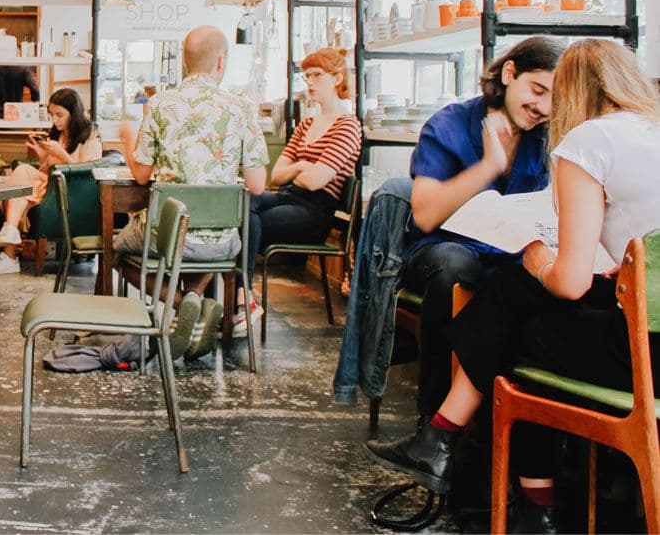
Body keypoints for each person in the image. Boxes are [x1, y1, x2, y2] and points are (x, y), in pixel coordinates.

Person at [367, 39, 660, 531]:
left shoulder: (588, 142)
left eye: (554, 94)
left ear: (570, 93)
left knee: (518, 334)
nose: (547, 109)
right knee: (516, 299)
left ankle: (490, 475)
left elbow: (567, 282)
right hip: (645, 326)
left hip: (640, 356)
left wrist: (537, 256)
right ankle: (453, 449)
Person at [400, 36, 563, 418]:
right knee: (457, 265)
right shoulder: (449, 125)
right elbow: (424, 215)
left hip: (514, 257)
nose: (542, 107)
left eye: (554, 99)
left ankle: (527, 440)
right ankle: (434, 424)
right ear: (509, 73)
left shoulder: (548, 137)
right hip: (442, 252)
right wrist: (487, 167)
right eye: (537, 90)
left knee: (551, 281)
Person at [115, 25, 268, 359]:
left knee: (116, 250)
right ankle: (195, 305)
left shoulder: (160, 104)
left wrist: (128, 139)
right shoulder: (242, 108)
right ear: (220, 62)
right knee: (208, 236)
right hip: (224, 242)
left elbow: (141, 175)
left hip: (169, 237)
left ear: (184, 63)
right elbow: (257, 185)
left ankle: (183, 304)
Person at [243, 47, 361, 332]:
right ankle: (241, 297)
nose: (309, 82)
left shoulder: (348, 126)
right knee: (243, 201)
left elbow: (317, 181)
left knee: (246, 220)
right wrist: (300, 168)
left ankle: (239, 296)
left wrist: (300, 170)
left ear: (337, 78)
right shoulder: (307, 123)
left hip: (315, 212)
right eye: (307, 76)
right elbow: (278, 173)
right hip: (288, 198)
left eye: (317, 76)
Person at [0, 88, 102, 275]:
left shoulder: (90, 136)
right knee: (20, 178)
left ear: (74, 112)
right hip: (52, 186)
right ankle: (10, 241)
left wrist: (60, 153)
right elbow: (49, 169)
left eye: (60, 115)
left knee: (20, 183)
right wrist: (42, 154)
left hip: (72, 192)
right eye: (51, 115)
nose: (54, 120)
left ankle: (9, 254)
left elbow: (88, 173)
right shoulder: (59, 134)